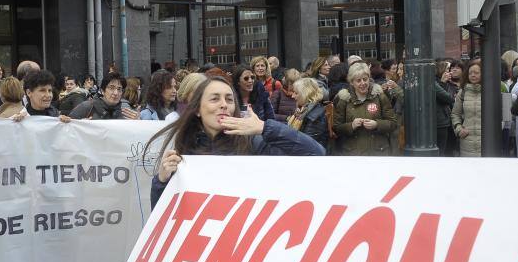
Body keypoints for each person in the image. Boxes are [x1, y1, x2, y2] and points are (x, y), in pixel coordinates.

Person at [147, 77, 325, 207]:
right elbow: (161, 214)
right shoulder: (185, 149)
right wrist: (161, 181)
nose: (224, 104)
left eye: (229, 99)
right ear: (198, 110)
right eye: (215, 98)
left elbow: (316, 153)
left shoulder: (252, 143)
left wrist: (265, 128)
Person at [20, 70, 77, 262]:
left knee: (58, 241)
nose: (46, 95)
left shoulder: (57, 117)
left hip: (56, 189)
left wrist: (68, 130)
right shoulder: (18, 120)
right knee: (33, 244)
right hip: (30, 193)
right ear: (28, 93)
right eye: (41, 90)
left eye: (49, 90)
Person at [333, 62, 397, 156]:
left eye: (365, 79)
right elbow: (336, 127)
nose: (363, 83)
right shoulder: (344, 99)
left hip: (379, 152)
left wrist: (377, 124)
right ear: (352, 82)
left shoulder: (379, 96)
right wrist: (351, 126)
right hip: (353, 153)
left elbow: (393, 123)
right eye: (358, 80)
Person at [69, 72, 139, 120]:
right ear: (102, 90)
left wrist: (138, 123)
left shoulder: (126, 112)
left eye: (119, 89)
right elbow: (68, 126)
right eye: (111, 88)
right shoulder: (87, 107)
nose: (115, 93)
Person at [451, 59, 482, 157]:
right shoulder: (463, 92)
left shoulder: (490, 91)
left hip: (486, 141)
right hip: (467, 141)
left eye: (476, 73)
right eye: (470, 73)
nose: (473, 75)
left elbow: (501, 116)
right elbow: (455, 114)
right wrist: (459, 129)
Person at [289, 78, 328, 149]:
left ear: (305, 94)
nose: (292, 96)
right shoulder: (303, 110)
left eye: (296, 93)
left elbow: (306, 143)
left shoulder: (315, 116)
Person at [434, 61, 456, 156]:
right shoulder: (436, 82)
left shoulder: (449, 83)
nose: (450, 72)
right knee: (441, 151)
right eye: (447, 69)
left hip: (446, 120)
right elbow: (449, 98)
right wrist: (442, 82)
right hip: (440, 122)